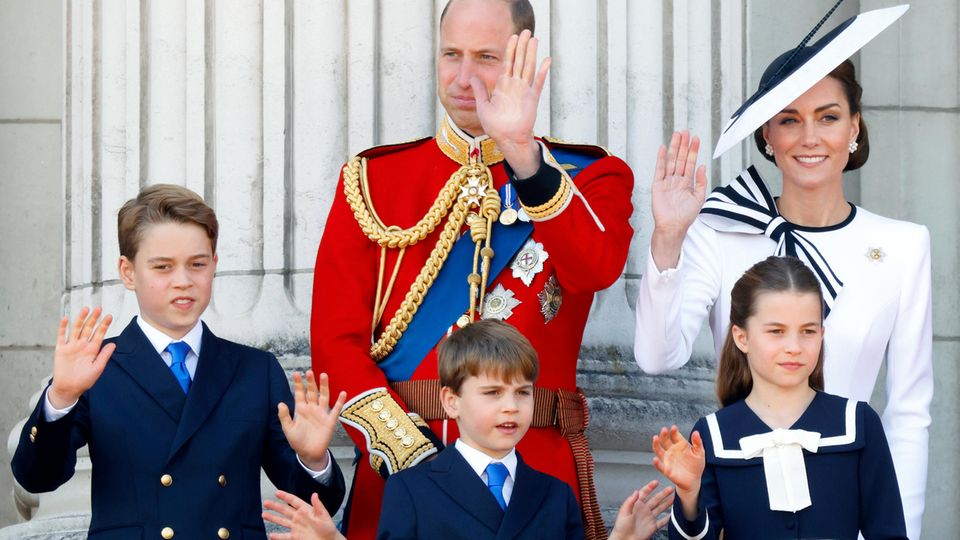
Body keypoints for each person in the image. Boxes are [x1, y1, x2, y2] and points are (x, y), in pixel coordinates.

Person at [310, 0, 633, 537]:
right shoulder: (372, 181)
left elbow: (595, 269)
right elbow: (334, 343)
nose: (463, 77)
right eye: (450, 55)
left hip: (533, 476)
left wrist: (523, 156)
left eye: (486, 57)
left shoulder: (590, 177)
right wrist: (412, 456)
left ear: (523, 60)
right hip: (402, 474)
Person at [632, 6, 929, 537]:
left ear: (855, 127)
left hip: (851, 505)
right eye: (789, 119)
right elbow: (658, 357)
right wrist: (669, 236)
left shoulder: (903, 246)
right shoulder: (719, 231)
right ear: (767, 135)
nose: (809, 136)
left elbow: (909, 412)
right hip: (741, 496)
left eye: (829, 116)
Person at [11, 184, 346, 539]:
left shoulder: (254, 370)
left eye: (197, 264)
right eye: (163, 267)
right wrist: (60, 398)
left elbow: (312, 505)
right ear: (128, 272)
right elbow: (37, 478)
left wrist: (313, 461)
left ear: (214, 266)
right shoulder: (97, 367)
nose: (183, 282)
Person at [653, 256, 906, 539]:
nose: (794, 347)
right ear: (742, 337)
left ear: (822, 334)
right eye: (777, 331)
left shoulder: (858, 424)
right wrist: (689, 495)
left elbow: (889, 533)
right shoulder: (712, 435)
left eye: (808, 331)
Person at [376, 319, 674, 539]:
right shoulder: (411, 490)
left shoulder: (555, 495)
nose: (511, 406)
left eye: (522, 392)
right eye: (492, 393)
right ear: (451, 401)